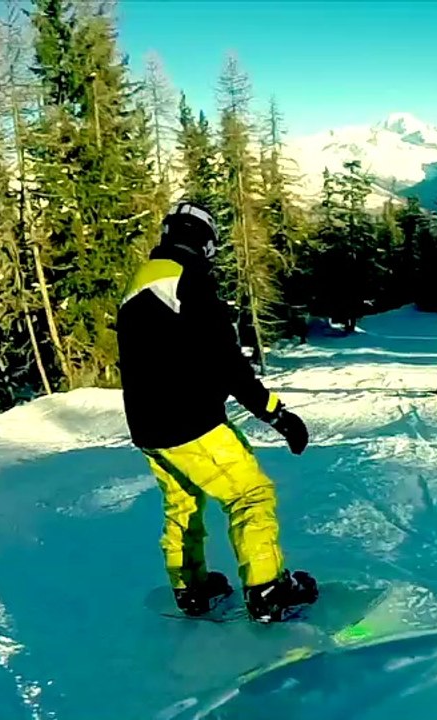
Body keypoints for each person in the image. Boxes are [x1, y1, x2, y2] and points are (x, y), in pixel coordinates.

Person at [116, 201, 318, 622]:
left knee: (183, 504)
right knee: (250, 493)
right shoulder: (188, 284)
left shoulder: (144, 281)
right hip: (190, 423)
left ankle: (191, 588)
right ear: (206, 243)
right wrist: (277, 415)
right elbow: (228, 364)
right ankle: (268, 590)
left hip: (149, 427)